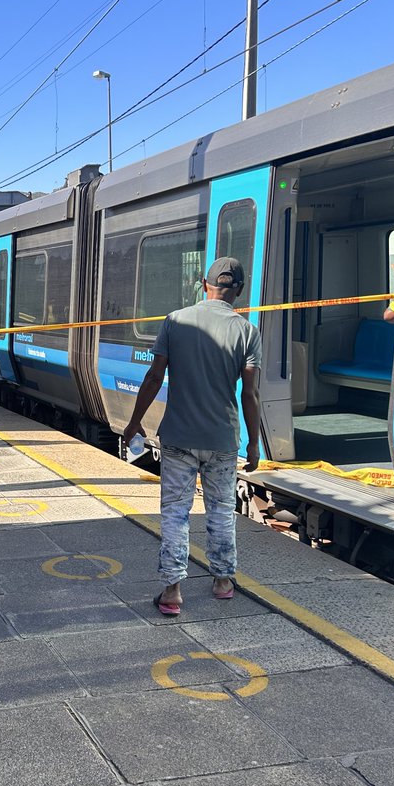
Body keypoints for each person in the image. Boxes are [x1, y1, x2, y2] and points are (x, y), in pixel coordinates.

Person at [122, 256, 262, 616]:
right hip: (222, 438)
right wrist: (254, 441)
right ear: (240, 292)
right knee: (221, 510)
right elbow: (250, 393)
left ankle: (172, 591)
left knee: (175, 512)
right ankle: (222, 581)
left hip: (178, 436)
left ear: (203, 284)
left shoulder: (176, 321)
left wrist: (135, 421)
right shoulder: (246, 331)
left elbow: (154, 377)